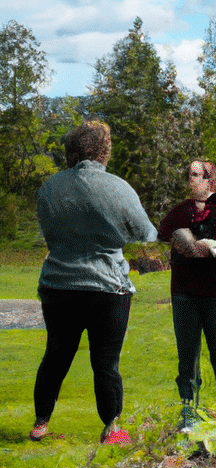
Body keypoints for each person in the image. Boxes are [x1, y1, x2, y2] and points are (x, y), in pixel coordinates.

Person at [32, 120, 157, 445]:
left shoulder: (49, 188)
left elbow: (51, 232)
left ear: (71, 151)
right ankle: (111, 429)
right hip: (107, 287)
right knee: (105, 361)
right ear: (104, 150)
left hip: (58, 284)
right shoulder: (118, 187)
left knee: (56, 354)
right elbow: (145, 233)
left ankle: (41, 422)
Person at [157, 161, 216, 428]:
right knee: (187, 356)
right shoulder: (181, 210)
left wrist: (212, 247)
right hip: (184, 294)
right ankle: (188, 416)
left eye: (196, 175)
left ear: (210, 180)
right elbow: (161, 234)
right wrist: (177, 242)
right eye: (189, 175)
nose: (191, 180)